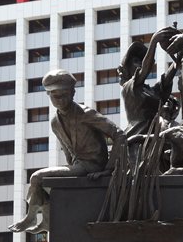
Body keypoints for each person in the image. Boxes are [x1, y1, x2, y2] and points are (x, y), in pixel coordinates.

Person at [9, 70, 126, 233]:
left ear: (73, 93)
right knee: (45, 183)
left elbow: (119, 135)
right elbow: (67, 151)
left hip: (93, 166)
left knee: (37, 177)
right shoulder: (55, 122)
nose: (61, 100)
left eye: (65, 95)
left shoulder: (86, 114)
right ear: (49, 96)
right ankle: (47, 221)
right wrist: (70, 173)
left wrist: (108, 169)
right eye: (56, 96)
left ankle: (31, 217)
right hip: (78, 166)